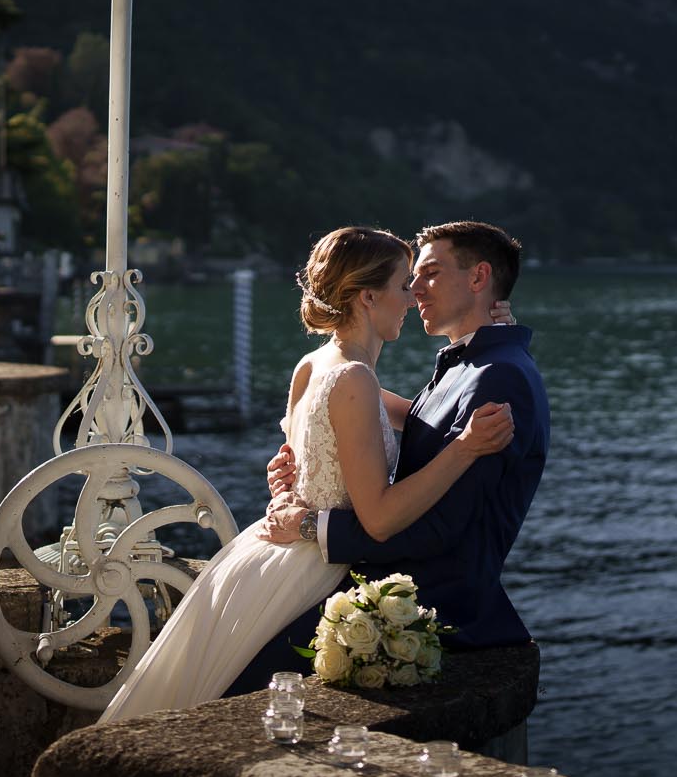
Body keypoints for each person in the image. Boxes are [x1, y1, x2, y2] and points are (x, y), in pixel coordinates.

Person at [97, 225, 514, 721]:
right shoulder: (355, 379)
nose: (413, 297)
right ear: (367, 297)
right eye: (404, 285)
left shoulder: (315, 365)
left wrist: (488, 337)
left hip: (260, 556)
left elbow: (410, 419)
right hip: (311, 567)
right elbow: (378, 519)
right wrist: (465, 449)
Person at [251, 220, 548, 677]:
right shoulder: (465, 363)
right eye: (408, 281)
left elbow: (446, 524)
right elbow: (392, 421)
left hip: (436, 599)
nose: (414, 292)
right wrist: (300, 466)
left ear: (477, 278)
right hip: (371, 571)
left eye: (428, 274)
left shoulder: (496, 375)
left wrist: (312, 525)